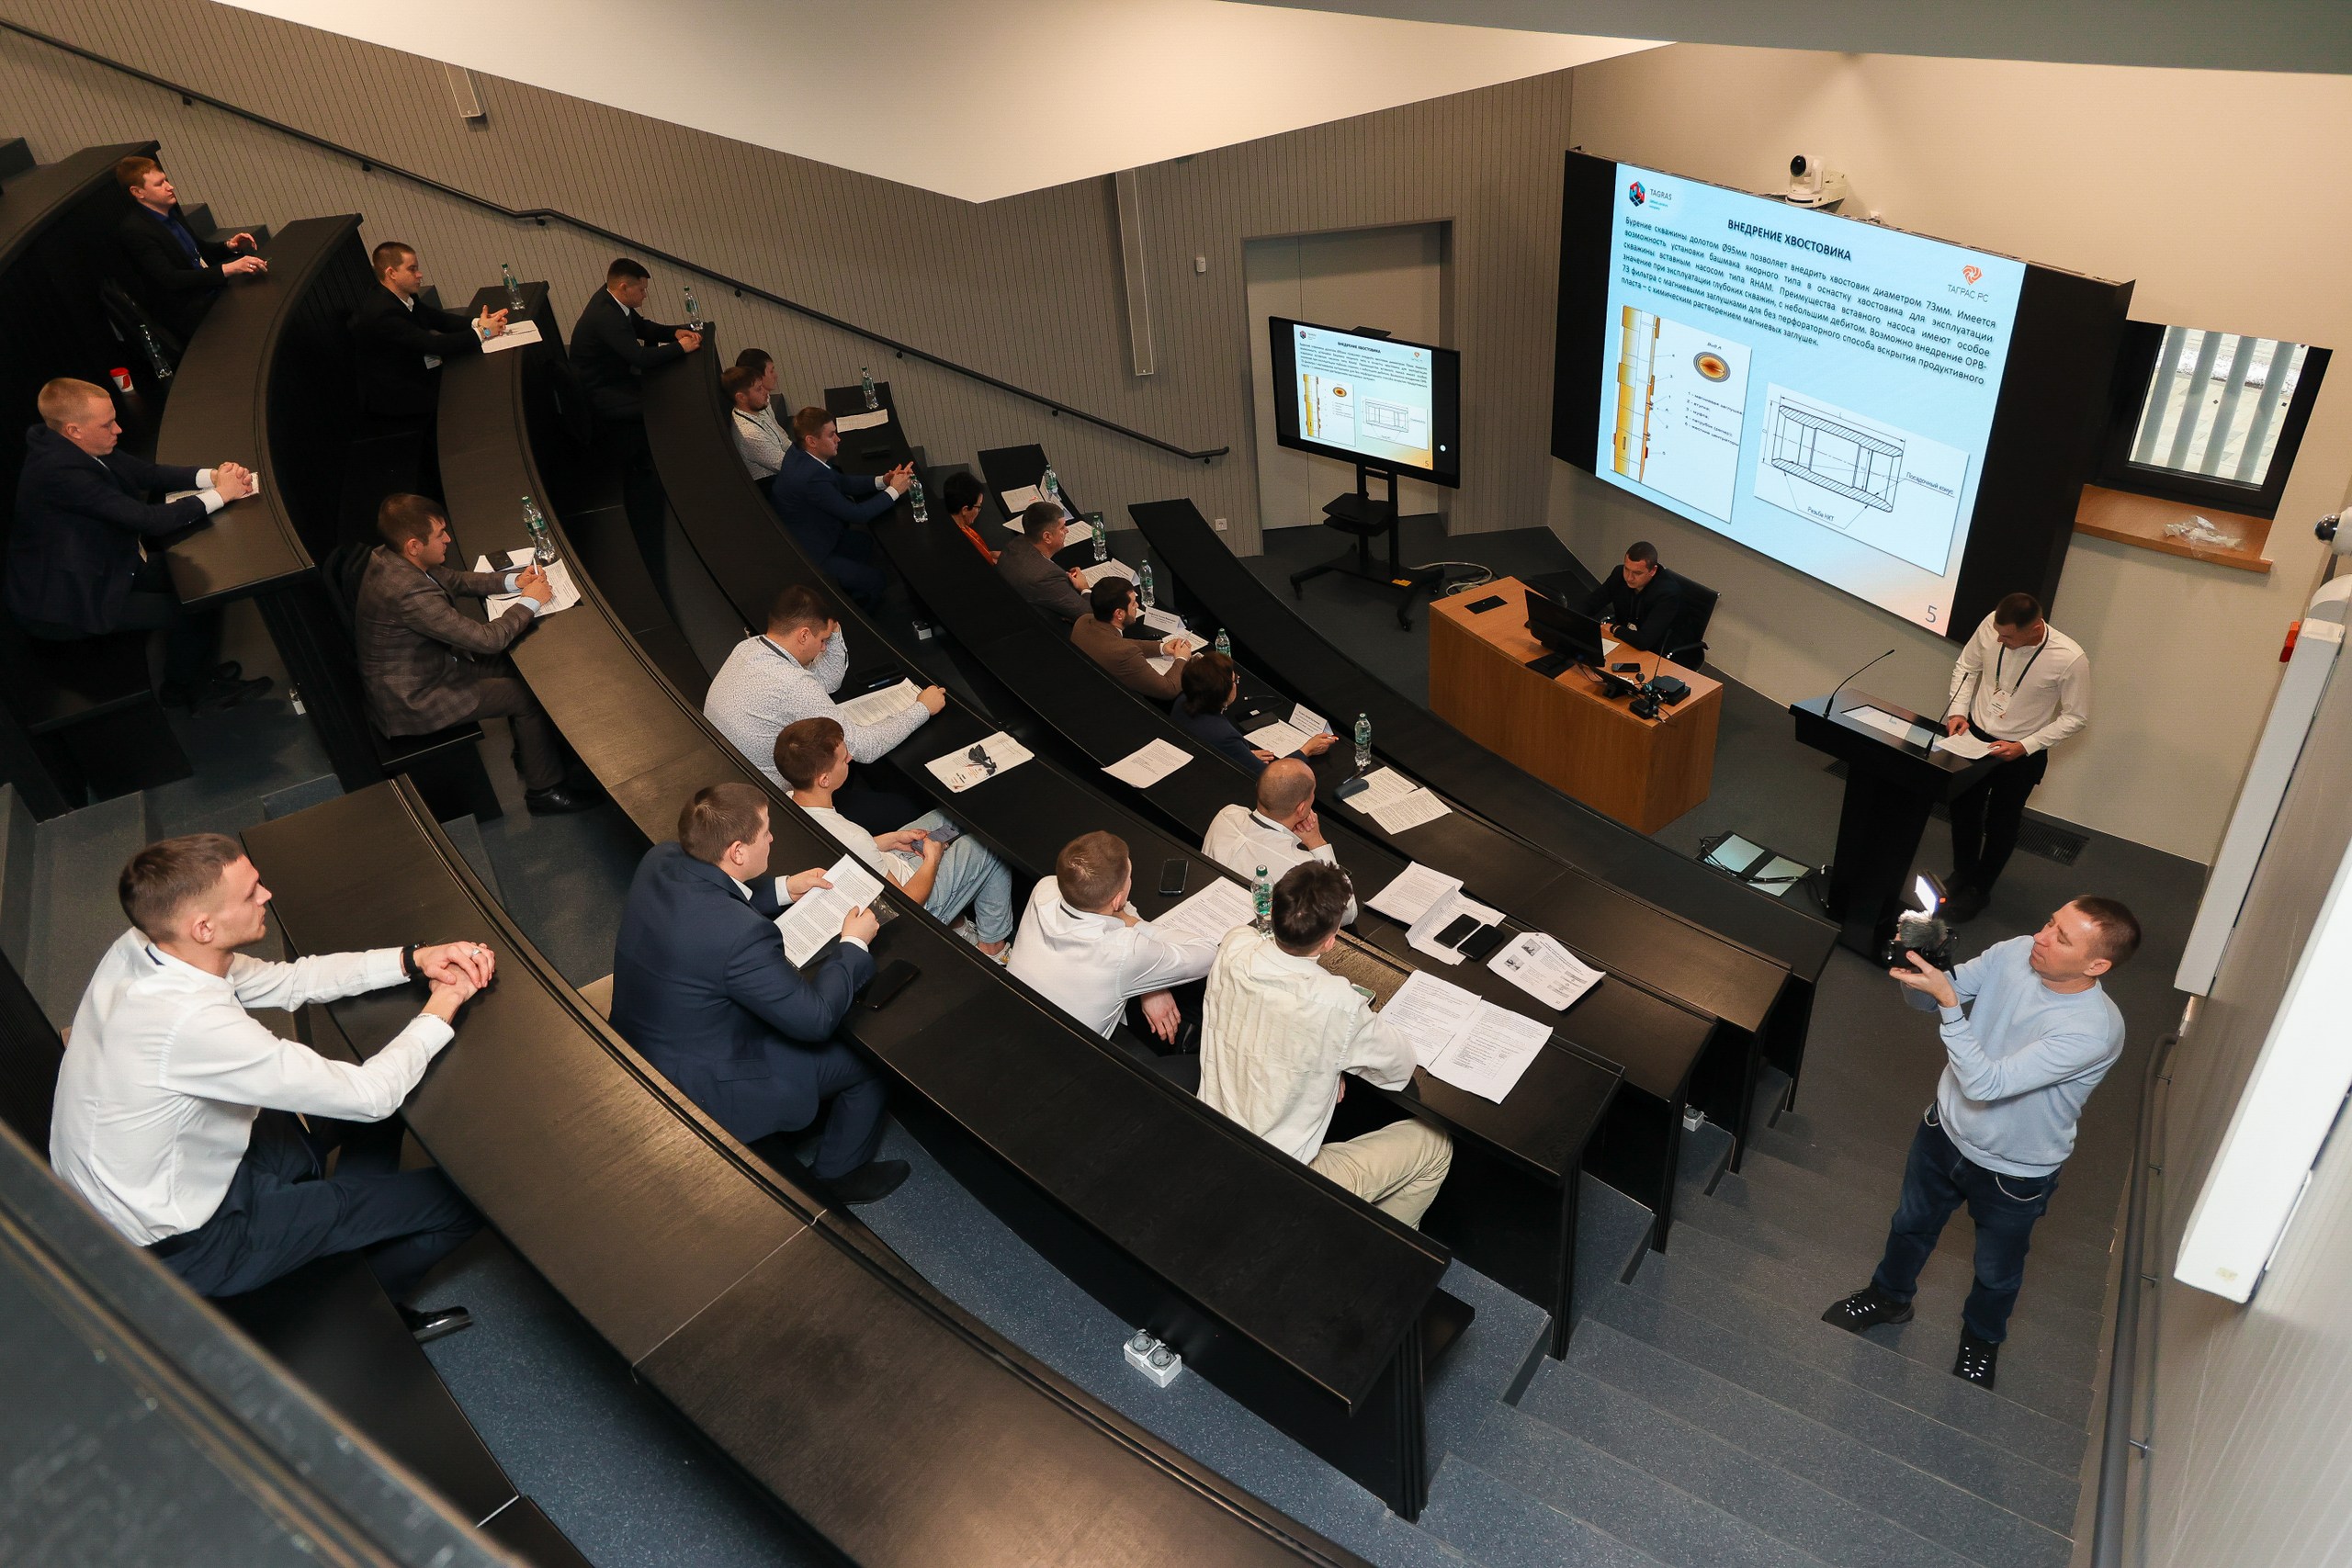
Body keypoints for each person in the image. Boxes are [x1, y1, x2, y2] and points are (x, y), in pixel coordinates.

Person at [50, 832, 492, 1338]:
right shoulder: (189, 1023)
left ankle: (342, 1223)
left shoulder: (146, 945)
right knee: (465, 1201)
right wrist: (445, 1001)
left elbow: (292, 981)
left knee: (389, 1103)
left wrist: (415, 958)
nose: (267, 895)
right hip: (193, 1242)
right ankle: (374, 1315)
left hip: (169, 1172)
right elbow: (371, 1096)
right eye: (250, 893)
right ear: (203, 926)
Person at [1821, 897, 2138, 1390]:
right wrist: (1918, 966)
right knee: (1909, 1226)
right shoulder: (2015, 952)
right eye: (2049, 921)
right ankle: (1888, 1299)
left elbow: (1985, 1083)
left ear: (2096, 965)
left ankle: (1981, 1342)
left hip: (2013, 1171)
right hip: (1942, 1132)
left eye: (2061, 938)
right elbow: (1930, 999)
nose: (2040, 937)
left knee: (1996, 1271)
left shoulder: (2093, 1030)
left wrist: (1950, 1007)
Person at [608, 783, 907, 1203]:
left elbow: (714, 892)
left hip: (643, 1034)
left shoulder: (661, 858)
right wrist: (853, 945)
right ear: (737, 851)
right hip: (706, 1079)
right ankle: (838, 1176)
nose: (772, 838)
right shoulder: (741, 936)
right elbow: (816, 1020)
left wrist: (786, 888)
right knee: (872, 1058)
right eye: (765, 831)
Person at [1197, 862, 1451, 1227]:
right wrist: (1338, 1057)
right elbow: (1399, 1068)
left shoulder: (1235, 943)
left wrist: (1330, 1062)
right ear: (1331, 940)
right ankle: (1384, 1250)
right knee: (1436, 1146)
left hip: (1213, 1140)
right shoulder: (1338, 1004)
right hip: (1279, 1178)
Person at [8, 378, 270, 712]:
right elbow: (149, 520)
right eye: (107, 424)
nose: (118, 429)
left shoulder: (70, 444)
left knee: (208, 586)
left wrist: (214, 477)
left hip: (108, 565)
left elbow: (149, 473)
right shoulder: (61, 474)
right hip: (70, 599)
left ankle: (195, 674)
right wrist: (222, 494)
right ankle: (189, 690)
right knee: (189, 609)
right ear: (74, 430)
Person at [355, 493, 595, 815]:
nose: (448, 539)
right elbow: (488, 639)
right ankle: (545, 791)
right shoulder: (408, 593)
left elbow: (455, 580)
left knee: (517, 668)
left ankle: (533, 751)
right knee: (525, 697)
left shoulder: (392, 555)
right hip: (414, 698)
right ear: (414, 545)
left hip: (431, 666)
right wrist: (530, 600)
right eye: (440, 534)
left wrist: (514, 581)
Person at [701, 583, 941, 832]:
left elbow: (826, 681)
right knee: (906, 809)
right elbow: (864, 748)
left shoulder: (748, 648)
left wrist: (832, 630)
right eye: (823, 640)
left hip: (734, 778)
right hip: (775, 808)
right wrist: (923, 708)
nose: (824, 648)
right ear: (804, 635)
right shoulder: (792, 684)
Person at [775, 717, 1013, 959]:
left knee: (949, 816)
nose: (851, 758)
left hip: (883, 865)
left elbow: (845, 850)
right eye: (844, 758)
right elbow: (906, 904)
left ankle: (960, 927)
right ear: (824, 780)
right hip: (912, 897)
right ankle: (992, 951)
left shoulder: (787, 803)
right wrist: (932, 858)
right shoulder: (854, 837)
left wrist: (888, 840)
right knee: (990, 844)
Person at [1939, 592, 2090, 922]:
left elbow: (2076, 717)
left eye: (2008, 637)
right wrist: (1958, 711)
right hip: (1974, 737)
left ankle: (1980, 889)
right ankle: (1963, 872)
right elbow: (1967, 666)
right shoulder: (1993, 625)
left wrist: (2026, 745)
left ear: (2035, 628)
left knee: (2002, 821)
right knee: (1963, 808)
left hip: (2022, 752)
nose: (2000, 640)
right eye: (1998, 633)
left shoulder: (2069, 658)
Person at [1006, 830, 1220, 1043]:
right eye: (1129, 878)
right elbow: (1209, 954)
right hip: (1070, 1054)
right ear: (1118, 900)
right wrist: (1135, 925)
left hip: (1013, 1018)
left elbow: (1114, 917)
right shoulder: (1123, 950)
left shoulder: (1044, 889)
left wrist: (1149, 984)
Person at [569, 258, 702, 581]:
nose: (645, 295)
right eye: (641, 290)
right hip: (603, 393)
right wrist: (681, 349)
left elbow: (642, 328)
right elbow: (639, 356)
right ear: (623, 287)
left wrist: (673, 333)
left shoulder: (613, 302)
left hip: (615, 380)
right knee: (663, 407)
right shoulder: (605, 316)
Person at [348, 241, 506, 502]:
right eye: (412, 269)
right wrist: (484, 333)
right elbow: (433, 345)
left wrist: (477, 322)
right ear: (391, 273)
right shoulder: (382, 312)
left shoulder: (403, 296)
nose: (419, 274)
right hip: (396, 394)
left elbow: (436, 319)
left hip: (413, 372)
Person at [770, 407, 910, 611]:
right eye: (831, 435)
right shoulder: (810, 477)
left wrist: (883, 481)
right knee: (876, 581)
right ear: (811, 441)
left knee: (864, 544)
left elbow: (841, 482)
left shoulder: (800, 454)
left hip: (820, 532)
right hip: (812, 553)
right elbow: (858, 514)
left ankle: (847, 591)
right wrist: (895, 491)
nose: (838, 439)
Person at [112, 155, 265, 342]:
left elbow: (199, 251)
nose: (170, 187)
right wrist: (227, 269)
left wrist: (229, 246)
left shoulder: (171, 210)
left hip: (211, 292)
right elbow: (171, 279)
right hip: (190, 313)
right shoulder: (135, 230)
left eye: (166, 180)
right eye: (159, 184)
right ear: (138, 192)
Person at [1202, 759, 1358, 927]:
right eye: (1313, 793)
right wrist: (1316, 841)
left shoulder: (1227, 815)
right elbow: (1347, 912)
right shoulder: (1300, 867)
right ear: (1301, 809)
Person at [1170, 651, 1335, 776]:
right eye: (1235, 680)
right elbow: (1271, 776)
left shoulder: (1182, 700)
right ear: (1223, 691)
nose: (1237, 682)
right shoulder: (1225, 736)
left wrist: (1242, 754)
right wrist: (1307, 750)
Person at [1071, 577, 1197, 702]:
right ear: (1119, 614)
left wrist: (1161, 648)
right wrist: (1182, 659)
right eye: (1133, 603)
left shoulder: (1083, 621)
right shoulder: (1125, 654)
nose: (1137, 605)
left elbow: (1117, 643)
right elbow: (1169, 689)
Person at [1581, 540, 1699, 658]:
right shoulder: (1618, 574)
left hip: (1660, 650)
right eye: (1626, 569)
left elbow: (1644, 641)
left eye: (1637, 573)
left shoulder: (1668, 594)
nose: (1629, 578)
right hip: (1628, 639)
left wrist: (1614, 628)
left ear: (1653, 571)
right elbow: (1591, 603)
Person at [995, 499, 1093, 623]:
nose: (1067, 530)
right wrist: (1084, 588)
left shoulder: (1015, 544)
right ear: (1047, 537)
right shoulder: (1046, 576)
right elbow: (1087, 614)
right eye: (1062, 527)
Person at [725, 363, 789, 481]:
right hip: (772, 483)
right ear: (741, 397)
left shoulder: (758, 406)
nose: (766, 392)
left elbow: (782, 441)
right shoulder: (749, 434)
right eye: (759, 389)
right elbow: (786, 466)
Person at [939, 470, 998, 565]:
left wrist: (993, 554)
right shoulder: (963, 545)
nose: (979, 511)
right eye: (978, 507)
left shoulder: (947, 524)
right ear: (965, 510)